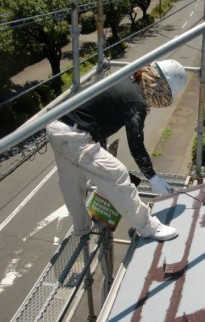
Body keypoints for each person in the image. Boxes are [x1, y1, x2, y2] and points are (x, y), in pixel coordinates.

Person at [46, 60, 187, 241]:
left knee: (72, 183)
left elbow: (97, 114)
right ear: (161, 86)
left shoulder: (126, 80)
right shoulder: (137, 100)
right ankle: (148, 227)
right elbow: (135, 144)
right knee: (117, 175)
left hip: (57, 125)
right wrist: (153, 177)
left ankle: (82, 228)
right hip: (74, 136)